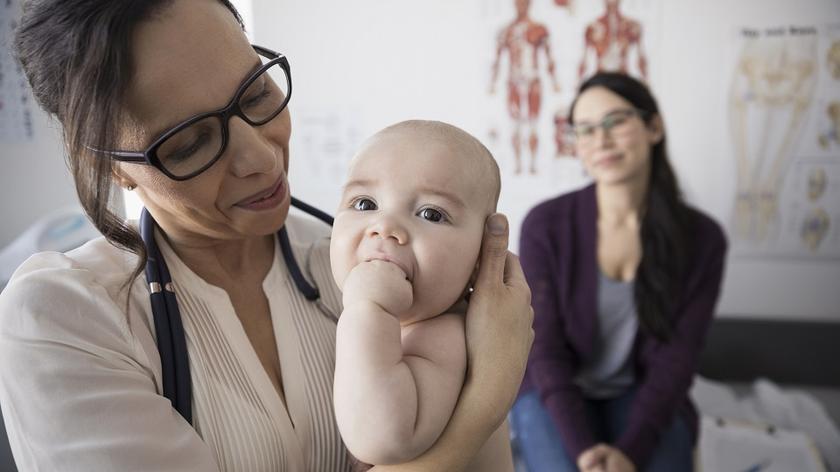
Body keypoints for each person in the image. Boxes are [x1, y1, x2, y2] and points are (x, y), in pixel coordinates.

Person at [0, 1, 535, 470]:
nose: (261, 157)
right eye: (190, 143)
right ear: (109, 166)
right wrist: (488, 395)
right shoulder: (62, 319)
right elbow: (468, 432)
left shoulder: (360, 260)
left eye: (256, 93)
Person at [511, 72, 727, 472]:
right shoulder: (545, 226)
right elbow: (544, 351)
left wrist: (631, 452)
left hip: (644, 393)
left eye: (616, 122)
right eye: (586, 130)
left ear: (654, 127)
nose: (601, 140)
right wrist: (584, 452)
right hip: (552, 393)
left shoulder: (703, 240)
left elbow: (677, 360)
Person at [330, 120, 511, 471]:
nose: (385, 227)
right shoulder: (408, 327)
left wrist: (368, 308)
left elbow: (379, 438)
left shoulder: (448, 339)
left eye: (431, 213)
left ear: (480, 258)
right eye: (365, 204)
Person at [489, 0, 560, 175]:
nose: (521, 6)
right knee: (516, 124)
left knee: (533, 123)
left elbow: (549, 57)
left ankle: (533, 164)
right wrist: (492, 83)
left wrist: (555, 82)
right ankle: (518, 165)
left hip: (533, 80)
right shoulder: (506, 31)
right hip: (514, 80)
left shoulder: (539, 29)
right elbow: (497, 60)